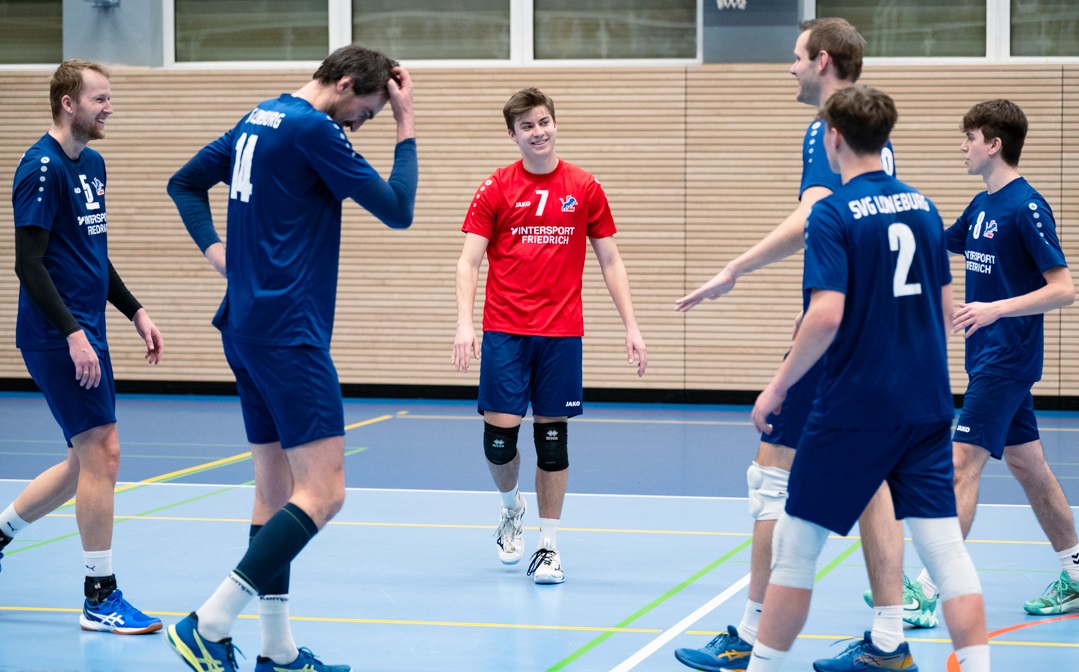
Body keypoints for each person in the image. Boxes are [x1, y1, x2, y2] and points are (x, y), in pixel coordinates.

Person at [164, 44, 417, 672]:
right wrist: (409, 128)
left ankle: (276, 649)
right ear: (346, 83)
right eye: (369, 108)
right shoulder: (315, 129)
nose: (365, 121)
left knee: (274, 493)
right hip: (288, 333)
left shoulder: (261, 115)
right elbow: (398, 209)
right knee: (325, 493)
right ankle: (209, 621)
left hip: (246, 326)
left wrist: (217, 253)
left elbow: (184, 182)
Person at [674, 18, 917, 672]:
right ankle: (889, 641)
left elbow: (813, 216)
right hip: (879, 338)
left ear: (825, 62)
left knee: (768, 477)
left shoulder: (826, 130)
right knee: (870, 485)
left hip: (837, 332)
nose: (788, 68)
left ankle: (752, 635)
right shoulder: (877, 138)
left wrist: (732, 268)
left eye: (795, 57)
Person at [744, 85, 990, 672]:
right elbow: (945, 305)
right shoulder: (926, 207)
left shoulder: (833, 211)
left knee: (797, 555)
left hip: (856, 404)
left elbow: (826, 314)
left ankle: (761, 666)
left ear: (833, 137)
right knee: (946, 551)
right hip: (927, 402)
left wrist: (778, 385)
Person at [452, 87, 648, 585]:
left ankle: (548, 547)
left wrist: (632, 326)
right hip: (505, 332)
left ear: (555, 123)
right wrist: (464, 322)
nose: (538, 132)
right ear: (513, 134)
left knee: (553, 443)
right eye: (527, 126)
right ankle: (509, 508)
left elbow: (611, 260)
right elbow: (469, 260)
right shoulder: (495, 188)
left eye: (544, 122)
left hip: (561, 335)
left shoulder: (584, 187)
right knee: (499, 443)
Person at [893, 99, 1078, 622]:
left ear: (994, 144)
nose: (962, 145)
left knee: (958, 467)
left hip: (1007, 358)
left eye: (968, 137)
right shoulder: (980, 205)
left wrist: (997, 308)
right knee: (1030, 467)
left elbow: (1064, 289)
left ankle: (931, 587)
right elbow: (934, 245)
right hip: (987, 359)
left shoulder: (1027, 207)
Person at [2, 59, 164, 635]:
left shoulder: (91, 163)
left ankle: (0, 534)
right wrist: (73, 334)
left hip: (87, 331)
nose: (109, 107)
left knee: (83, 461)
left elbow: (91, 253)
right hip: (56, 335)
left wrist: (135, 309)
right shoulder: (40, 168)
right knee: (104, 452)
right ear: (68, 103)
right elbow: (29, 263)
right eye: (100, 98)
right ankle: (100, 597)